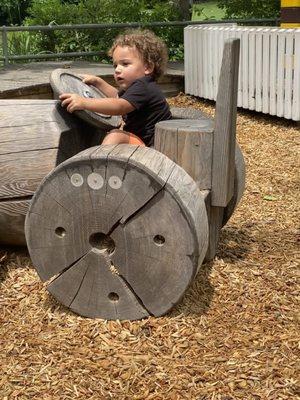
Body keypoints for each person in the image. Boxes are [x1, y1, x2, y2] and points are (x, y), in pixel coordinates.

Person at [60, 29, 172, 147]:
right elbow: (117, 97)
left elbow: (119, 106)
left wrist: (84, 102)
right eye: (115, 65)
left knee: (115, 135)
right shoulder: (137, 87)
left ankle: (98, 164)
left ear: (148, 67)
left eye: (125, 64)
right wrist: (99, 83)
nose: (117, 69)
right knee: (113, 132)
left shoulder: (144, 86)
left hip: (153, 148)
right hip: (143, 141)